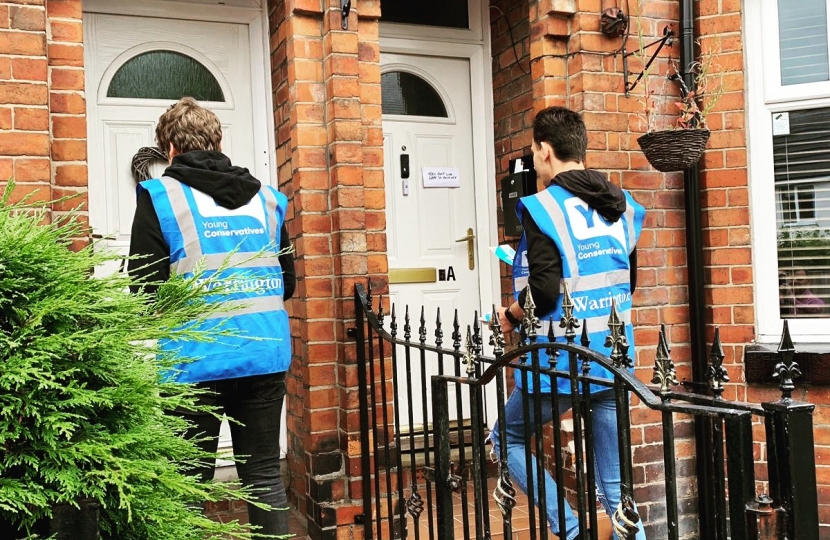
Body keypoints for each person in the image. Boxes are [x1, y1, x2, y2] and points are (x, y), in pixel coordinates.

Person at [128, 97, 295, 538]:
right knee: (263, 476)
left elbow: (143, 288)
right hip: (263, 355)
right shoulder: (268, 200)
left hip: (192, 360)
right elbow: (288, 281)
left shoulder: (161, 196)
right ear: (218, 142)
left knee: (187, 483)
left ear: (169, 149)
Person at [489, 106, 647, 540]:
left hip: (559, 360)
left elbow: (543, 290)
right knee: (616, 491)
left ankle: (573, 530)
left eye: (535, 150)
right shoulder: (620, 206)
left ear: (545, 149)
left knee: (507, 439)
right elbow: (626, 280)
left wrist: (508, 315)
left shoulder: (543, 208)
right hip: (611, 357)